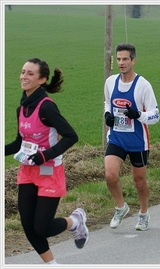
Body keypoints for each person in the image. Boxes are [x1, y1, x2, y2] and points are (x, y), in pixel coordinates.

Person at [5, 58, 87, 265]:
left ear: (42, 80)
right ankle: (52, 265)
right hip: (27, 172)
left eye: (30, 74)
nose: (24, 76)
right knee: (28, 226)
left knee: (42, 228)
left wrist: (43, 156)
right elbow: (19, 143)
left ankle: (75, 221)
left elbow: (71, 136)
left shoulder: (47, 107)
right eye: (23, 72)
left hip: (49, 172)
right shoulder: (21, 109)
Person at [103, 43, 160, 231]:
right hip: (117, 138)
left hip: (137, 141)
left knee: (139, 182)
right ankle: (121, 207)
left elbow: (155, 115)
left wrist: (139, 116)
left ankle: (143, 214)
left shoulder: (143, 85)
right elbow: (107, 103)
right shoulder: (110, 82)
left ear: (133, 60)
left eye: (125, 59)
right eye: (118, 59)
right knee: (110, 175)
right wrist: (107, 115)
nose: (121, 63)